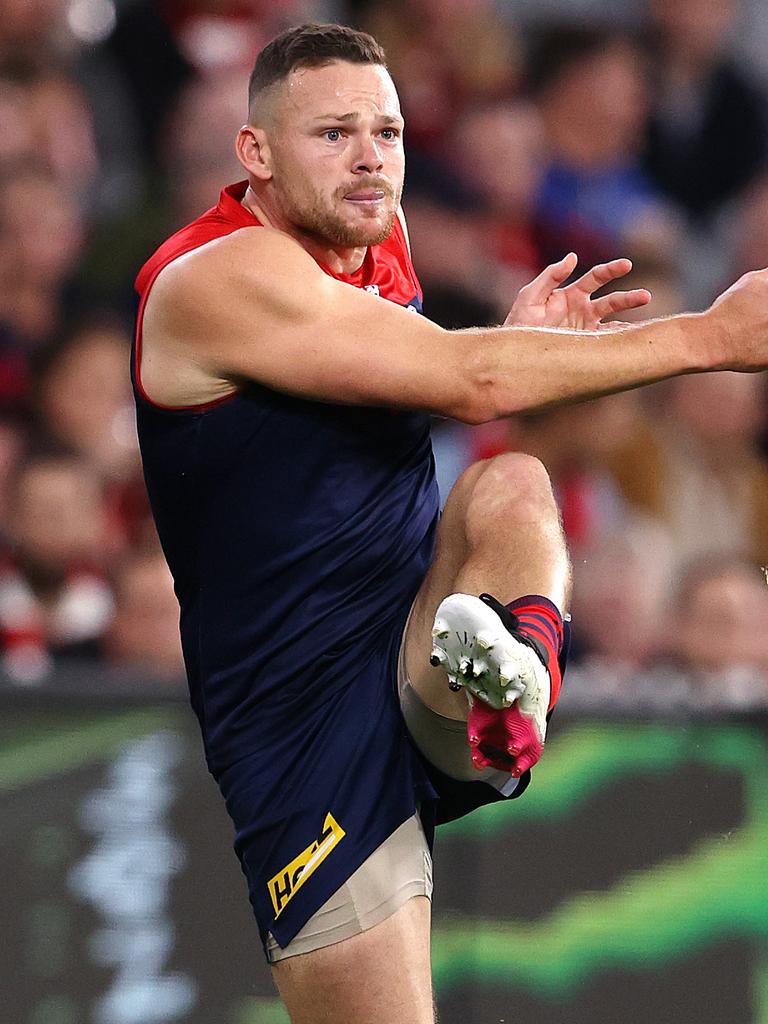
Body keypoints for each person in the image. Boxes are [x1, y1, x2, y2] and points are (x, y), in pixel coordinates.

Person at [132, 23, 768, 1023]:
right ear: (254, 154)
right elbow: (467, 377)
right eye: (333, 133)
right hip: (299, 727)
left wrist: (520, 345)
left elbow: (450, 374)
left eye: (385, 130)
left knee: (513, 482)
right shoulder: (211, 279)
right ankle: (495, 671)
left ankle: (513, 673)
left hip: (419, 641)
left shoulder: (378, 239)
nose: (370, 155)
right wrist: (712, 336)